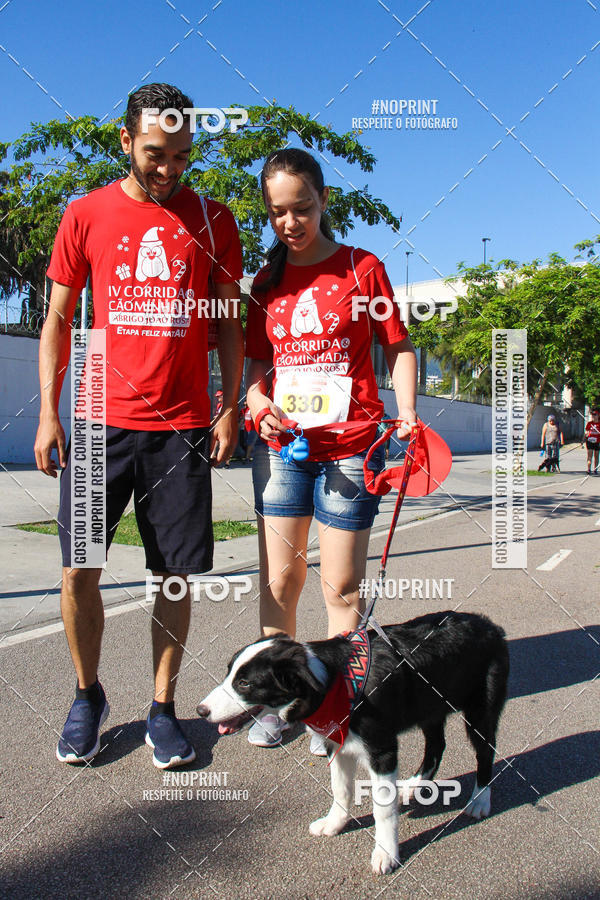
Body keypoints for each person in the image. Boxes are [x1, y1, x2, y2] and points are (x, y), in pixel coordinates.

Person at [34, 83, 244, 768]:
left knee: (173, 577)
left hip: (181, 426)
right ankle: (87, 696)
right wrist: (48, 410)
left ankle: (162, 709)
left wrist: (230, 401)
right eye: (156, 154)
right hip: (98, 422)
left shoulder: (214, 220)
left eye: (182, 157)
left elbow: (227, 325)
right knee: (78, 572)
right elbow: (59, 320)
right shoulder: (85, 213)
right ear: (125, 140)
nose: (169, 169)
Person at [245, 148, 417, 751]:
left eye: (302, 209)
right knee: (280, 583)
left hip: (350, 450)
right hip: (283, 449)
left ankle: (335, 706)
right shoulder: (265, 282)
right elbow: (256, 367)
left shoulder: (361, 268)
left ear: (323, 201)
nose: (290, 223)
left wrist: (408, 413)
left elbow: (397, 346)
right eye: (277, 213)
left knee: (340, 587)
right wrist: (256, 401)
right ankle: (278, 701)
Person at [582, 408, 600, 474]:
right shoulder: (589, 423)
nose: (593, 416)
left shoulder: (599, 424)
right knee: (589, 455)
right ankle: (588, 469)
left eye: (595, 415)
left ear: (598, 415)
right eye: (593, 415)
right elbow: (586, 431)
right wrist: (583, 439)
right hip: (589, 441)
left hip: (597, 441)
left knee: (596, 456)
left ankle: (595, 469)